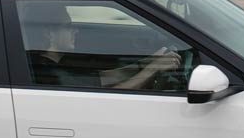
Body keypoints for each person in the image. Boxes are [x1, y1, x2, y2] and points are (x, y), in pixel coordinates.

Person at [26, 6, 179, 90]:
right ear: (48, 34)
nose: (76, 31)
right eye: (68, 26)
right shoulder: (46, 73)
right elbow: (117, 92)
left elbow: (104, 78)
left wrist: (146, 62)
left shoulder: (59, 62)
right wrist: (152, 69)